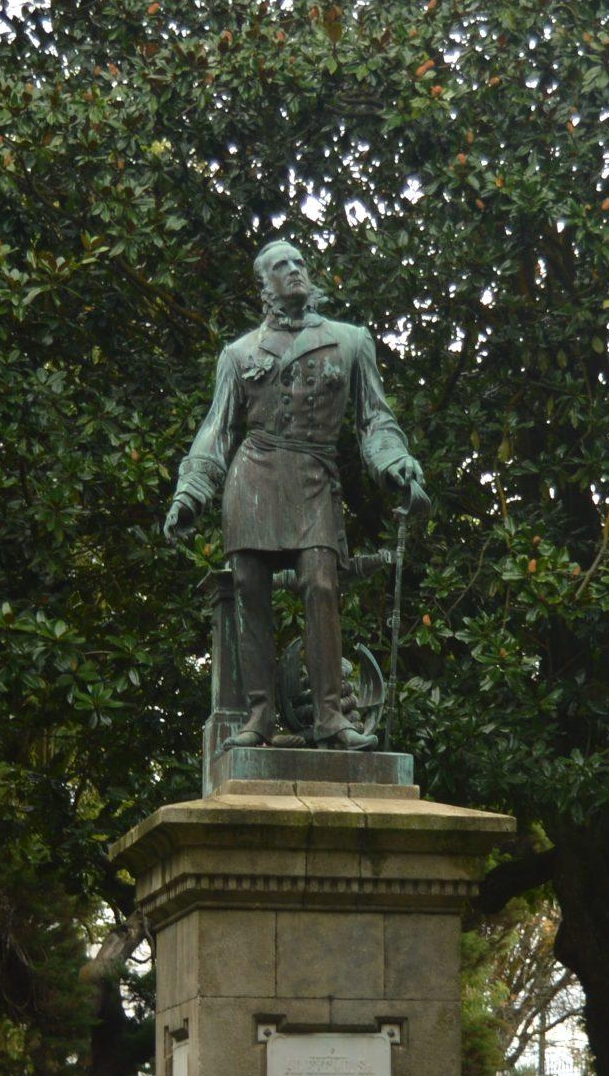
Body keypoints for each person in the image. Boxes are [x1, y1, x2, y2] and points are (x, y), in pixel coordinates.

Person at [163, 237, 427, 749]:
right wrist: (190, 492)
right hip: (254, 475)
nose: (295, 271)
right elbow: (216, 430)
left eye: (300, 262)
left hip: (313, 476)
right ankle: (258, 715)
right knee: (249, 587)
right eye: (281, 266)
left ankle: (331, 715)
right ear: (264, 286)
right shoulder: (238, 354)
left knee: (321, 583)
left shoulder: (350, 340)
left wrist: (395, 464)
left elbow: (375, 420)